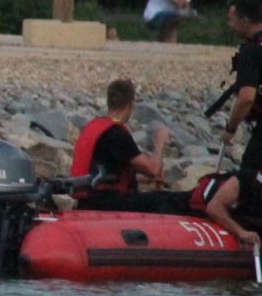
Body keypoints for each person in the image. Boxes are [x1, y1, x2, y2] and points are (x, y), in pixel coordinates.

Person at [70, 78, 186, 213]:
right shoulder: (115, 133)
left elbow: (106, 176)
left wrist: (144, 180)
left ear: (109, 102)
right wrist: (160, 141)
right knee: (170, 200)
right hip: (105, 204)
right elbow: (153, 169)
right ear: (131, 106)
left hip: (87, 200)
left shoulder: (93, 127)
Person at [218, 0, 262, 179]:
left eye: (232, 19)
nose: (230, 24)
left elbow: (246, 98)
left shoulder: (251, 51)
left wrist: (230, 128)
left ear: (245, 20)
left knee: (248, 179)